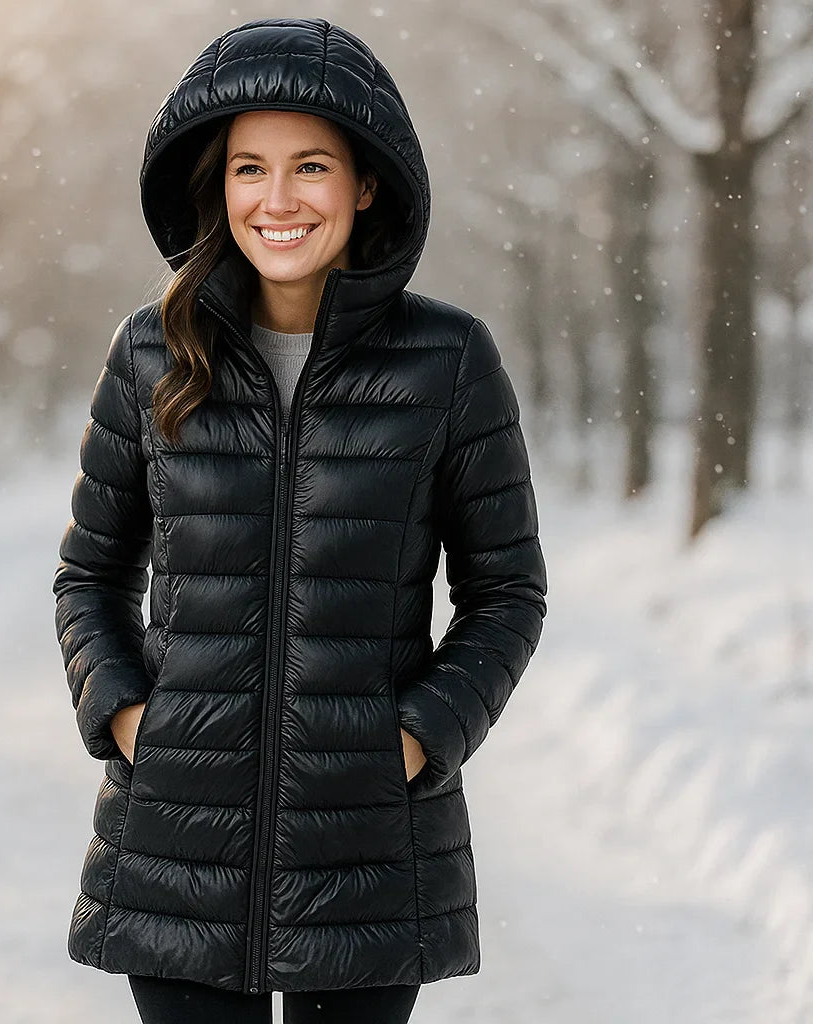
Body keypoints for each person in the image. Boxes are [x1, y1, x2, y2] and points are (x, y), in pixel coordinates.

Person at [52, 16, 547, 1024]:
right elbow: (89, 574)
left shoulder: (447, 360)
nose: (277, 200)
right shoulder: (149, 353)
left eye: (310, 165)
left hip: (364, 856)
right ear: (216, 185)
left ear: (365, 185)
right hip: (178, 850)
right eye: (249, 169)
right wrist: (126, 717)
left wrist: (415, 738)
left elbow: (505, 592)